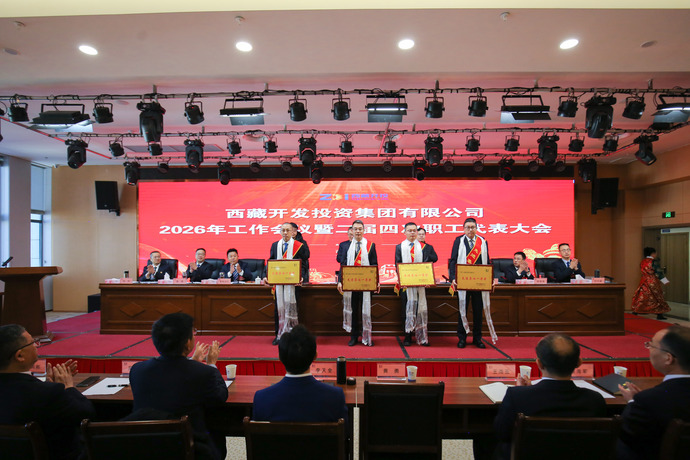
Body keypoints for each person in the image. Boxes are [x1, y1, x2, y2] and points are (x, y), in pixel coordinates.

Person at [490, 333, 607, 460]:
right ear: (579, 363)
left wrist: (522, 391)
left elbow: (502, 433)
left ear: (539, 363)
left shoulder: (517, 396)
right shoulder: (595, 400)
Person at [129, 312, 228, 460]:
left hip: (147, 448)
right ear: (188, 343)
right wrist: (211, 365)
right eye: (193, 333)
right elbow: (220, 396)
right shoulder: (203, 373)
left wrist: (192, 362)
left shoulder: (137, 370)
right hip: (190, 449)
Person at [0, 324, 95, 460]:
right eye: (32, 343)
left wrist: (48, 386)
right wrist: (68, 387)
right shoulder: (47, 393)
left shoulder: (45, 391)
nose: (36, 345)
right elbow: (85, 414)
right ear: (20, 355)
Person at [616, 325, 690, 460]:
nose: (649, 349)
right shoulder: (649, 398)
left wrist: (632, 402)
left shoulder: (649, 400)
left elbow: (627, 436)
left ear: (668, 358)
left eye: (651, 345)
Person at [252, 325, 347, 424]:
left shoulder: (261, 398)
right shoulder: (335, 396)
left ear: (279, 357)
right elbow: (345, 431)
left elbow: (257, 433)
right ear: (315, 356)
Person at [449, 217, 497, 348]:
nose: (470, 230)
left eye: (472, 227)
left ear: (476, 228)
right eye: (468, 227)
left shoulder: (482, 241)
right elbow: (453, 260)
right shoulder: (459, 241)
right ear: (464, 229)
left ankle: (477, 338)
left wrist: (491, 278)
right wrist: (453, 277)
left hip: (479, 282)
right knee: (462, 310)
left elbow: (487, 261)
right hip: (463, 282)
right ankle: (462, 338)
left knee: (477, 311)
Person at [337, 219, 379, 346]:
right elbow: (342, 265)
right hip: (351, 283)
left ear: (364, 230)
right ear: (352, 231)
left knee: (365, 310)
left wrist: (377, 281)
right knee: (354, 311)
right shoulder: (346, 246)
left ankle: (366, 335)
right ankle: (354, 336)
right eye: (355, 229)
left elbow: (374, 264)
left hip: (366, 283)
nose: (358, 231)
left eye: (360, 229)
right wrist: (340, 281)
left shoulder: (370, 245)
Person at [267, 222, 310, 345]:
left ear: (293, 232)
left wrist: (301, 277)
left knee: (292, 308)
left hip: (293, 283)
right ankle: (279, 334)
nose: (285, 233)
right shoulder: (275, 245)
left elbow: (304, 264)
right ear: (280, 232)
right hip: (279, 282)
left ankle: (293, 335)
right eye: (283, 230)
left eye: (288, 230)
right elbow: (271, 261)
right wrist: (267, 276)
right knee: (279, 309)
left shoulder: (299, 246)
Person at [395, 222, 431, 346]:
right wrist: (402, 280)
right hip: (406, 285)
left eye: (414, 230)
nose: (412, 233)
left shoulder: (424, 247)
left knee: (420, 309)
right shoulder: (399, 247)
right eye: (409, 230)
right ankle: (407, 336)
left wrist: (427, 278)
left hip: (420, 285)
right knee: (407, 310)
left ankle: (421, 336)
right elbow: (397, 265)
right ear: (404, 232)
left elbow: (427, 265)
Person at [630, 247, 670, 320]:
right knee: (657, 297)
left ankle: (636, 311)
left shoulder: (642, 262)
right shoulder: (654, 262)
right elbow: (658, 272)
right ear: (652, 253)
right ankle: (659, 314)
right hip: (652, 281)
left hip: (644, 281)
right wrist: (665, 281)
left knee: (641, 296)